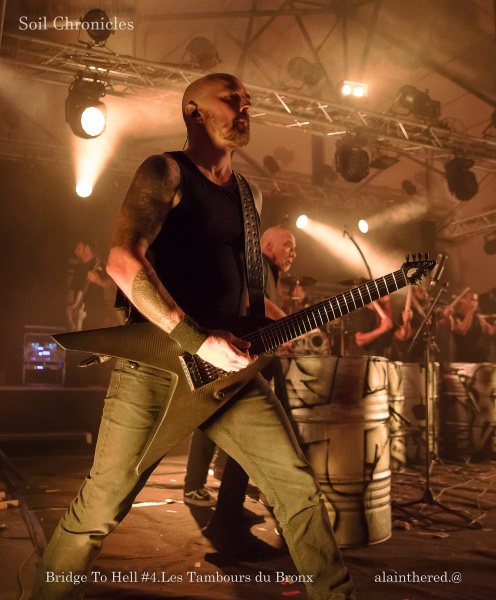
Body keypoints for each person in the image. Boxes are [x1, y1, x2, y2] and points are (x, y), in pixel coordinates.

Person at [30, 73, 354, 600]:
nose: (243, 107)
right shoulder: (165, 171)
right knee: (100, 507)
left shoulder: (249, 194)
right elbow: (121, 260)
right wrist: (197, 339)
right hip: (157, 364)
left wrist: (271, 325)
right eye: (231, 98)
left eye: (248, 100)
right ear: (193, 111)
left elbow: (241, 286)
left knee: (297, 488)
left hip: (229, 372)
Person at [66, 239, 113, 331]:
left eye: (78, 248)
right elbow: (72, 290)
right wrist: (70, 306)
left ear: (87, 248)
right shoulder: (78, 268)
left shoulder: (99, 264)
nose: (75, 251)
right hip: (78, 314)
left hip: (94, 313)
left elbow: (108, 284)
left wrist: (97, 280)